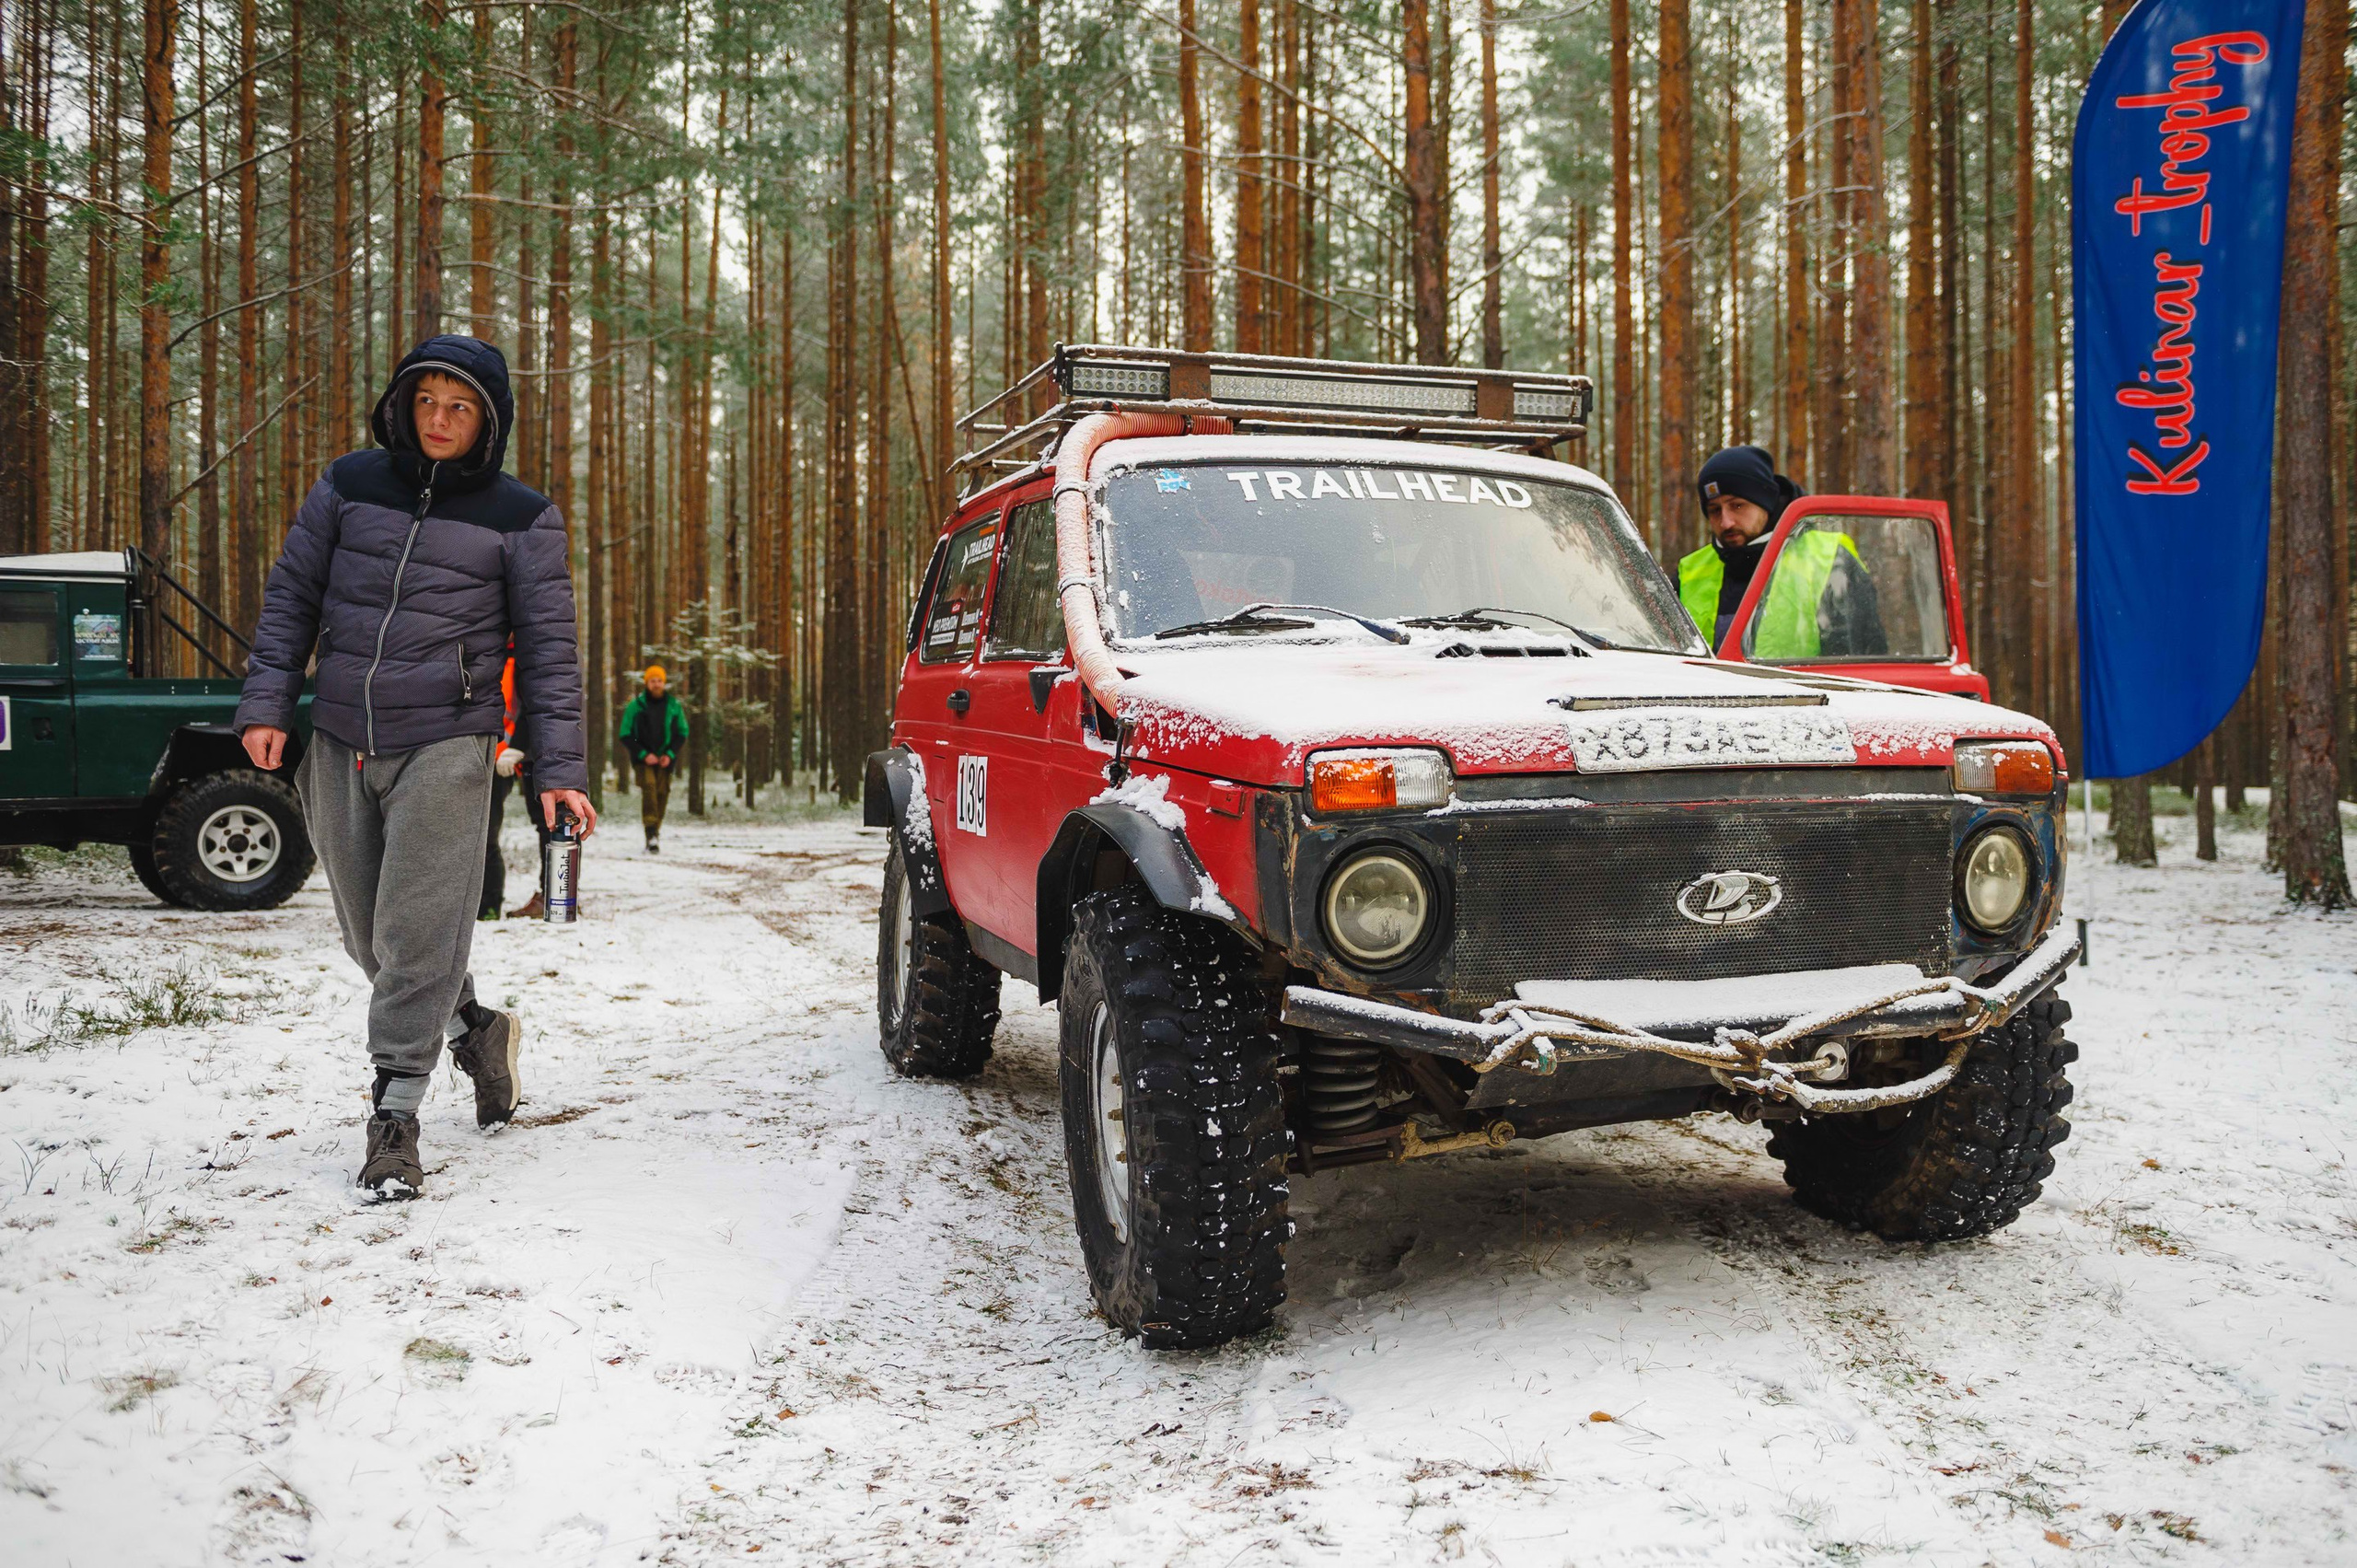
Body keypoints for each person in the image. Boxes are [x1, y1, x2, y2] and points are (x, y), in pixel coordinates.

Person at [235, 334, 598, 1201]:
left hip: (449, 740)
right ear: (403, 402)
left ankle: (394, 1117)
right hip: (338, 734)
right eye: (427, 401)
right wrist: (265, 702)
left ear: (488, 421)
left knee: (416, 928)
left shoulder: (521, 515)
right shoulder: (349, 484)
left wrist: (558, 767)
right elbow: (292, 595)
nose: (440, 420)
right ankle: (475, 1027)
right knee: (377, 937)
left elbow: (549, 652)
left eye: (460, 407)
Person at [1677, 445, 1887, 658]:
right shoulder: (1690, 571)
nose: (1726, 522)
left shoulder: (1827, 557)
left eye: (1737, 506)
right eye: (1714, 510)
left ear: (1765, 502)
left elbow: (1858, 658)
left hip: (1805, 691)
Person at [617, 665, 688, 854]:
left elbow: (682, 732)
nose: (656, 684)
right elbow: (625, 734)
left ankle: (656, 831)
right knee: (649, 787)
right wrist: (643, 754)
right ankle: (650, 832)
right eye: (653, 681)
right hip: (643, 759)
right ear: (647, 683)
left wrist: (670, 754)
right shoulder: (636, 706)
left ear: (664, 683)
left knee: (662, 792)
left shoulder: (673, 705)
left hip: (665, 758)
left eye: (659, 681)